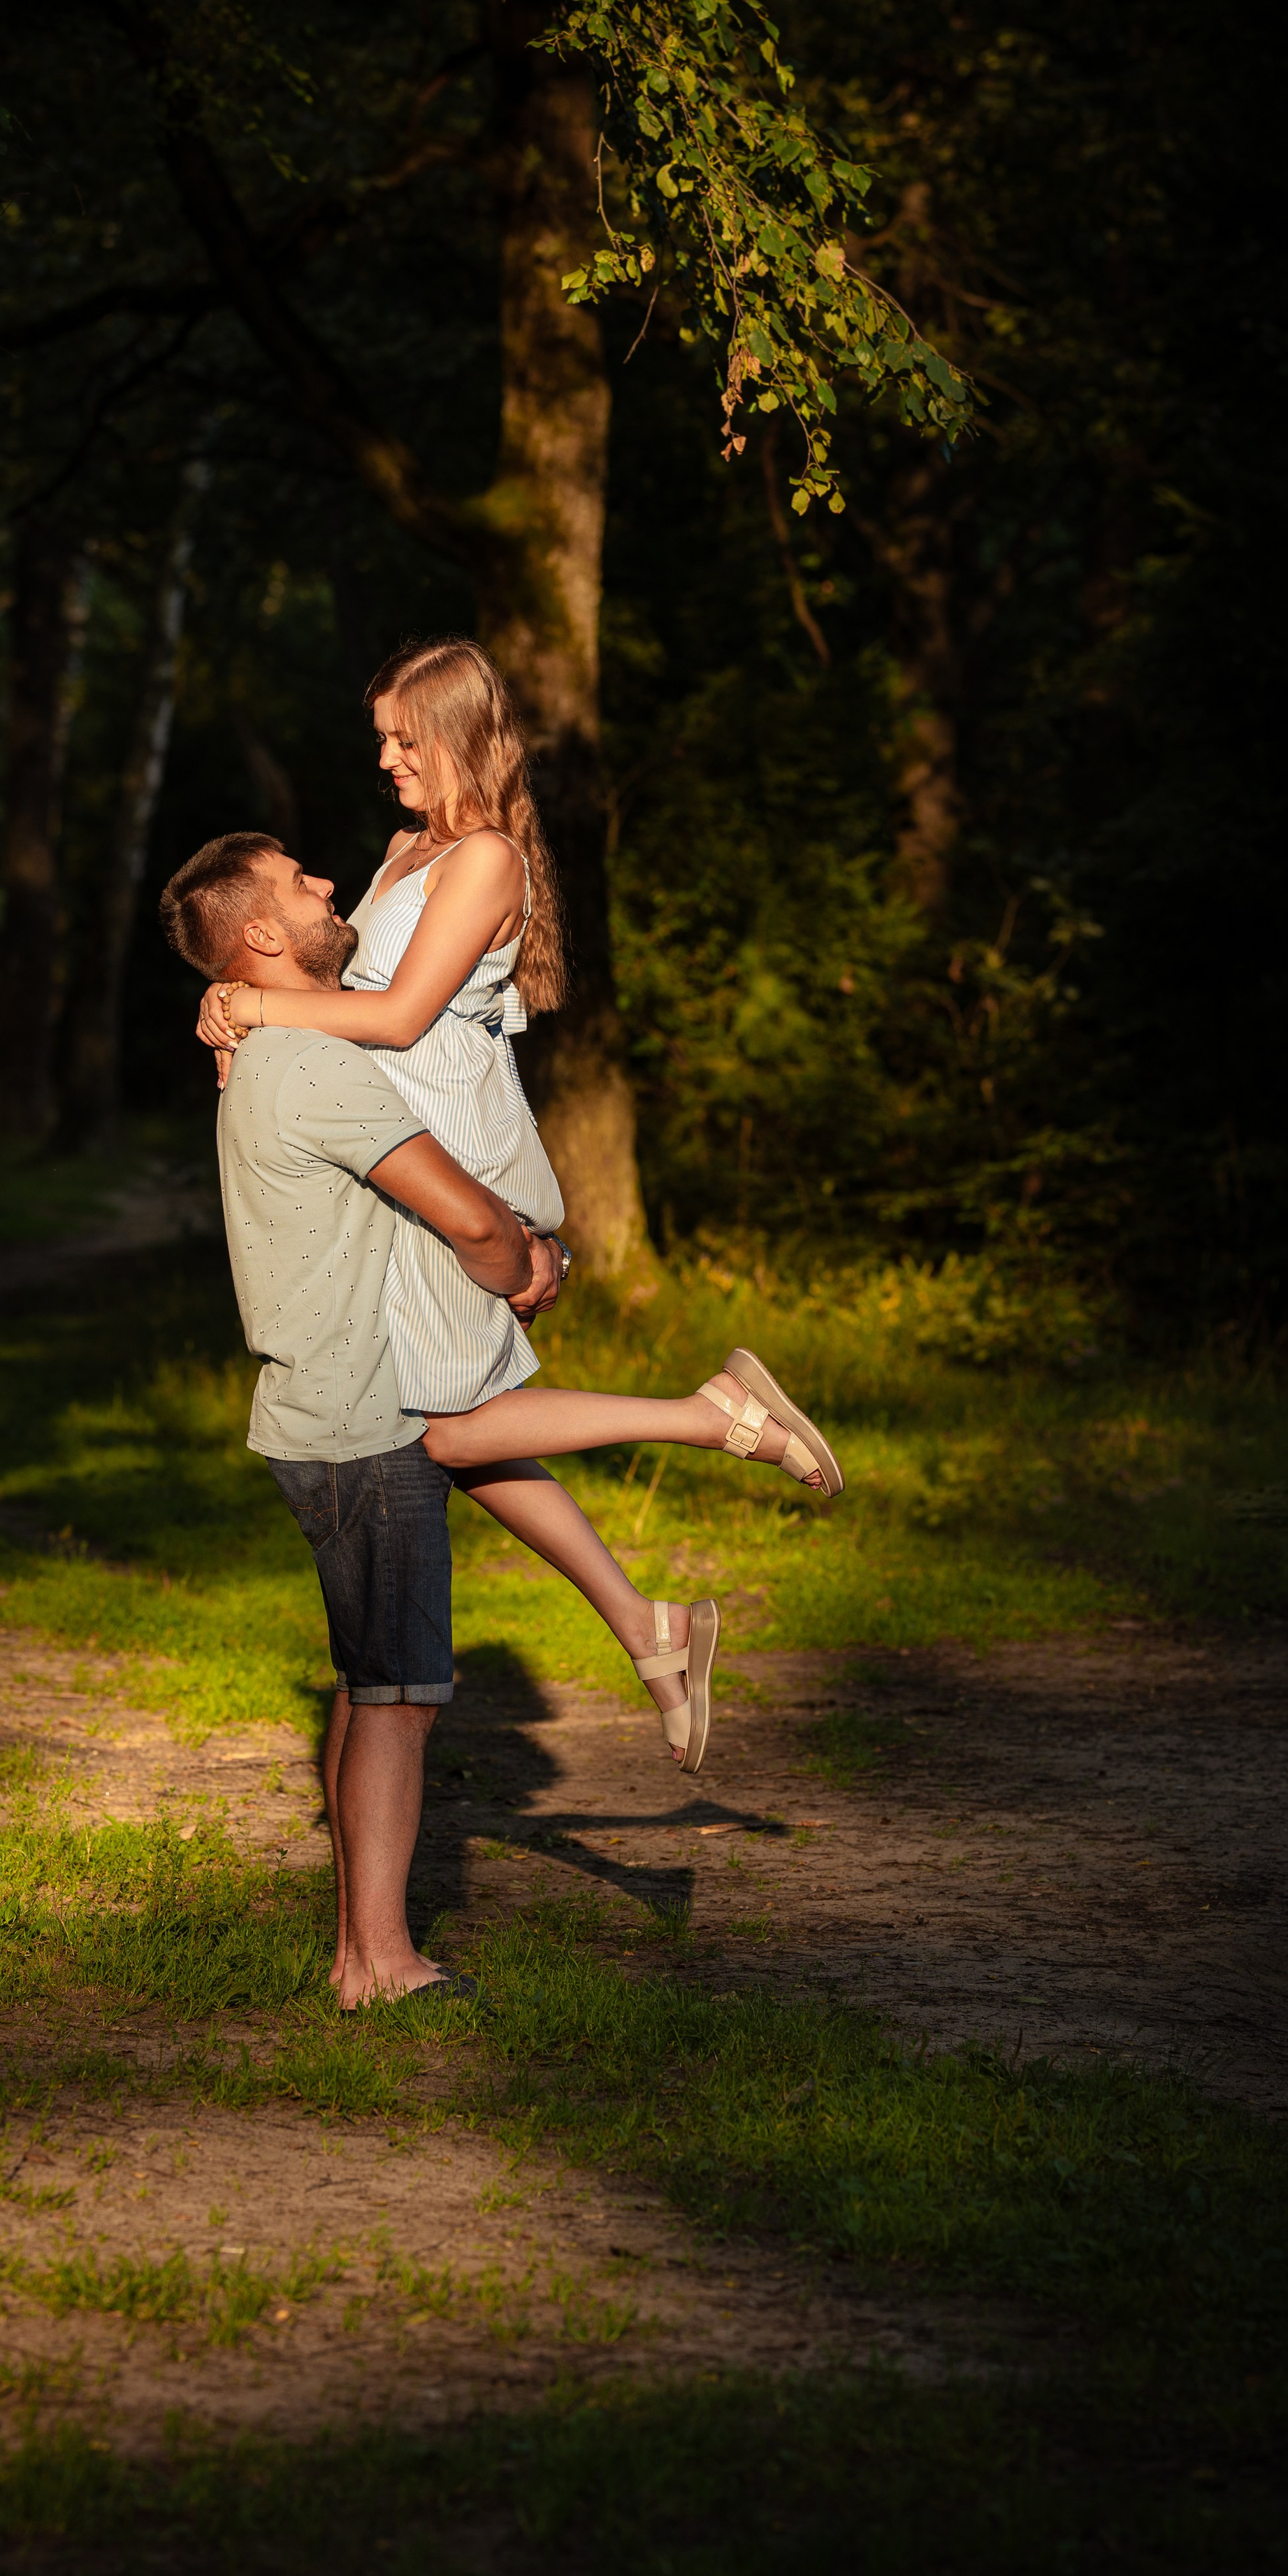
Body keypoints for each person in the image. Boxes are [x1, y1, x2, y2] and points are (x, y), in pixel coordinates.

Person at [162, 833, 844, 2003]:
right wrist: (520, 1262)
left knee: (370, 1684)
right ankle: (384, 1959)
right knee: (397, 1700)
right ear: (262, 933)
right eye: (297, 882)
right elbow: (466, 1216)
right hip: (361, 1422)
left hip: (324, 1413)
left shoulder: (272, 1054)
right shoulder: (314, 1067)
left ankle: (359, 1954)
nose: (324, 883)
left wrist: (233, 1003)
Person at [193, 638, 841, 1777]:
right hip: (399, 1161)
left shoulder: (486, 857)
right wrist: (232, 995)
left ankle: (709, 1416)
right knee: (450, 1429)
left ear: (458, 735)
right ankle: (650, 1626)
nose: (386, 760)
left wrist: (253, 1004)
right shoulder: (406, 851)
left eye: (403, 738)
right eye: (381, 739)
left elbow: (399, 1018)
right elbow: (332, 986)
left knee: (440, 1429)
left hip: (452, 1152)